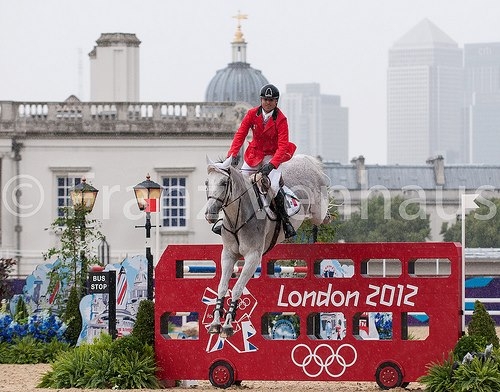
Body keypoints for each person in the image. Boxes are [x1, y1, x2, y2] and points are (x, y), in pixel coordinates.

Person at [214, 83, 297, 238]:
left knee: (272, 186)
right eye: (265, 99)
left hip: (273, 155)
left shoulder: (281, 119)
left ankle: (286, 222)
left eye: (271, 100)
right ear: (261, 99)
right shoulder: (252, 114)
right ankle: (224, 221)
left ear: (276, 101)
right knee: (238, 183)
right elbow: (240, 134)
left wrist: (272, 165)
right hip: (255, 154)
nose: (268, 102)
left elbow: (282, 145)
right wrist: (231, 156)